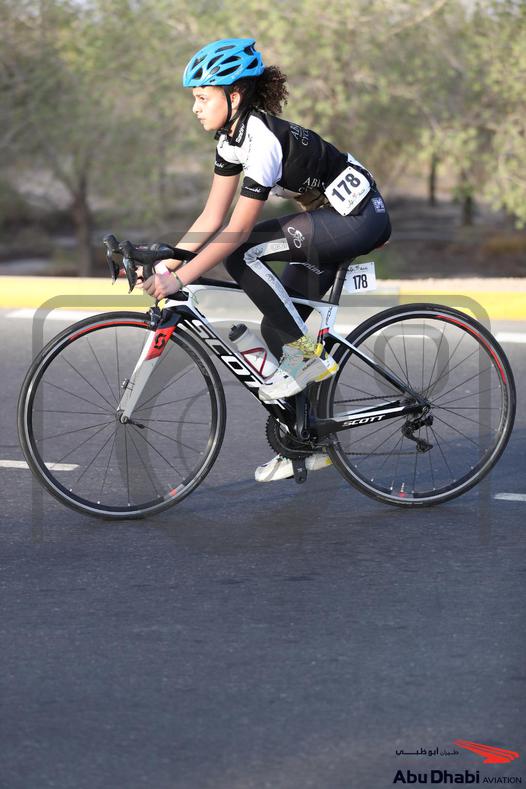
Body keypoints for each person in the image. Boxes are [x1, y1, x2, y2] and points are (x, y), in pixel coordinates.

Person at [139, 38, 391, 482]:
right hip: (327, 219)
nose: (195, 107)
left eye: (203, 97)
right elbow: (211, 217)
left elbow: (235, 232)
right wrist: (168, 264)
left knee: (242, 251)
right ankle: (308, 442)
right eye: (194, 98)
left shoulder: (262, 140)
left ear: (234, 96)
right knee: (279, 325)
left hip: (357, 218)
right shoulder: (231, 140)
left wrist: (181, 280)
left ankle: (307, 361)